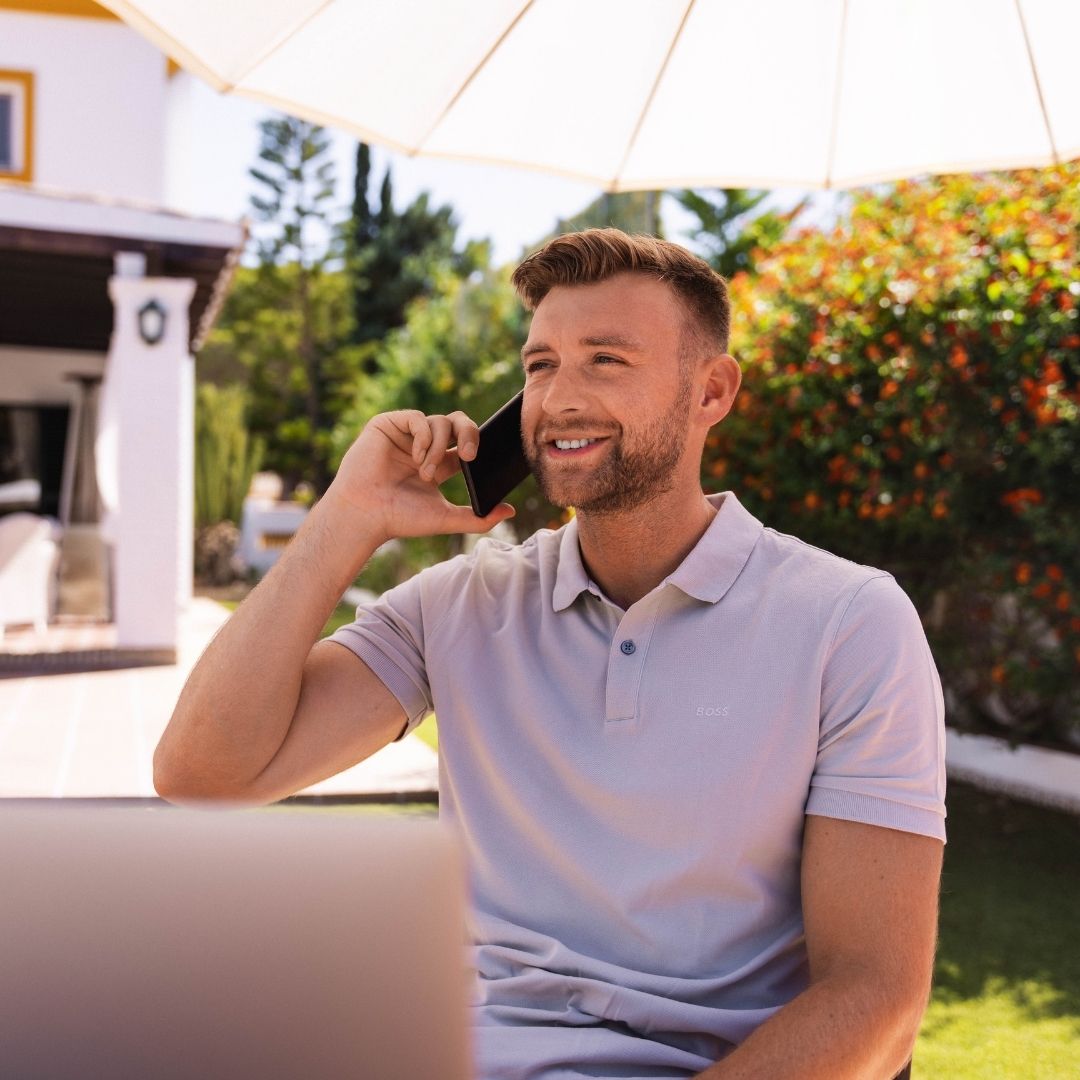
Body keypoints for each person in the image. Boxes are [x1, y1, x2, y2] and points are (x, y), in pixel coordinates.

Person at [156, 229, 945, 1080]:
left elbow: (876, 998)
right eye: (539, 366)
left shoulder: (848, 622)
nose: (560, 398)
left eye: (606, 360)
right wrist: (351, 512)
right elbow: (204, 772)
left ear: (711, 390)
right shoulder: (455, 609)